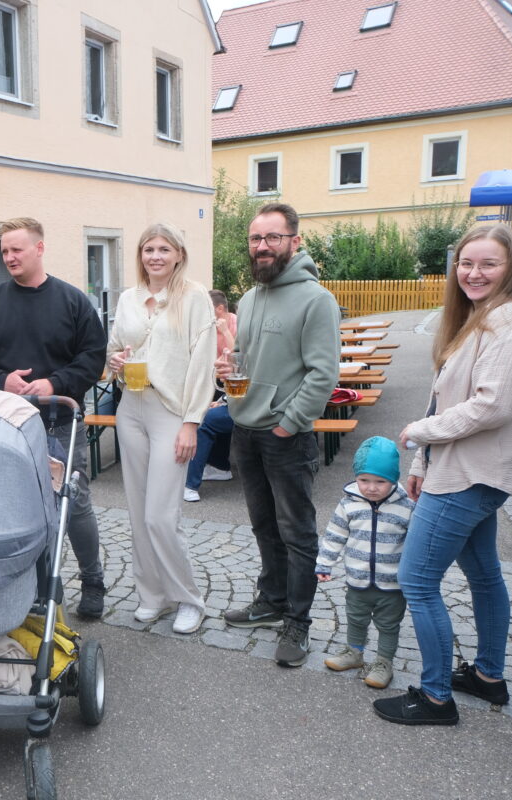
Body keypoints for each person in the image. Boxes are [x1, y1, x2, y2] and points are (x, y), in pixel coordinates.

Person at [373, 225, 512, 726]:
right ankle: (488, 676)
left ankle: (435, 698)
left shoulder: (509, 323)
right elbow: (447, 396)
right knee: (484, 574)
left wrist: (417, 433)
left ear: (511, 267)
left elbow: (491, 406)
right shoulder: (484, 316)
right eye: (466, 263)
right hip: (465, 470)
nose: (474, 273)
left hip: (471, 475)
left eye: (488, 264)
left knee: (417, 580)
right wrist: (422, 463)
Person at [0, 217, 107, 618]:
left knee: (74, 505)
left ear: (39, 248)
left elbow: (93, 359)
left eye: (16, 249)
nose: (9, 257)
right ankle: (33, 588)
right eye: (4, 250)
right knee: (15, 508)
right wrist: (1, 380)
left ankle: (93, 581)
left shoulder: (73, 302)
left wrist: (54, 382)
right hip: (5, 426)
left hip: (60, 422)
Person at [218, 202, 341, 669]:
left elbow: (323, 373)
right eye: (255, 238)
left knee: (297, 533)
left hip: (286, 435)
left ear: (295, 241)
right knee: (264, 525)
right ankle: (271, 601)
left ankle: (297, 621)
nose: (262, 246)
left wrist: (289, 422)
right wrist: (227, 370)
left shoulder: (316, 300)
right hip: (245, 429)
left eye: (273, 237)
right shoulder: (249, 298)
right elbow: (245, 360)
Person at [105, 223, 217, 634]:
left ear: (179, 254)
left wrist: (191, 423)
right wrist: (115, 362)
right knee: (138, 513)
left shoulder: (195, 297)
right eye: (148, 249)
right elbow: (114, 349)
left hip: (171, 411)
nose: (155, 256)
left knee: (160, 516)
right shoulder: (128, 298)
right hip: (131, 407)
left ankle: (189, 599)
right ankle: (152, 595)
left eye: (163, 249)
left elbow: (202, 363)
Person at [316, 436, 415, 690]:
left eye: (380, 482)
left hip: (392, 584)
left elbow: (417, 544)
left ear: (393, 479)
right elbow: (334, 535)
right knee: (355, 618)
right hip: (357, 578)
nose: (371, 488)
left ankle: (384, 663)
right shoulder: (348, 504)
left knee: (388, 625)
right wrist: (324, 563)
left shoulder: (407, 507)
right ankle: (354, 652)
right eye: (364, 480)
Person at [182, 289, 239, 500]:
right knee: (210, 412)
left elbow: (239, 361)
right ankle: (219, 466)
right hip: (224, 387)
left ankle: (190, 484)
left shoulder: (237, 324)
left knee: (205, 420)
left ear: (220, 309)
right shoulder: (206, 326)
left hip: (236, 390)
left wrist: (225, 331)